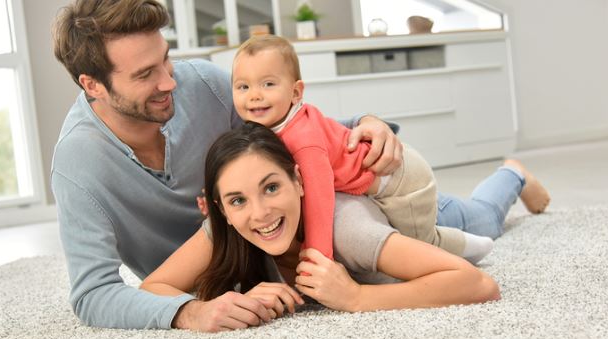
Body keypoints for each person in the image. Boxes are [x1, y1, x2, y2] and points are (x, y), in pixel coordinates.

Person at [50, 0, 403, 331]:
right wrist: (191, 311)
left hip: (293, 238)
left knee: (432, 223)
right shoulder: (78, 164)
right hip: (222, 269)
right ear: (92, 85)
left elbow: (290, 130)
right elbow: (92, 293)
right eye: (145, 75)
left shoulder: (202, 84)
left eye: (166, 59)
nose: (169, 81)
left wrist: (364, 122)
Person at [140, 122, 501, 327]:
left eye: (271, 187)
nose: (260, 213)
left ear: (299, 181)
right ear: (221, 209)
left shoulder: (349, 231)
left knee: (485, 217)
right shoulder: (229, 226)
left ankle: (513, 174)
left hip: (409, 212)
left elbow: (479, 284)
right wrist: (214, 307)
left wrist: (358, 297)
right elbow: (152, 287)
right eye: (238, 200)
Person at [231, 35, 495, 264]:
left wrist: (318, 254)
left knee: (422, 245)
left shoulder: (303, 139)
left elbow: (319, 198)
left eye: (268, 84)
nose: (254, 95)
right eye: (243, 86)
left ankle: (477, 246)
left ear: (296, 92)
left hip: (402, 181)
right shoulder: (277, 123)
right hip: (376, 182)